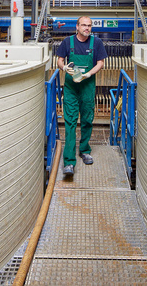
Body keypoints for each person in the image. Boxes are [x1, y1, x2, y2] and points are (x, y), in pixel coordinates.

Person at [57, 16, 108, 176]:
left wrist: (88, 74)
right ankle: (69, 161)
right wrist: (64, 67)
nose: (87, 28)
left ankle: (85, 150)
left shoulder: (96, 43)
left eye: (89, 25)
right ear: (77, 27)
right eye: (84, 25)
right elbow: (59, 60)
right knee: (70, 122)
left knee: (87, 119)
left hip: (87, 86)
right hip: (71, 88)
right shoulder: (68, 42)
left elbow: (100, 62)